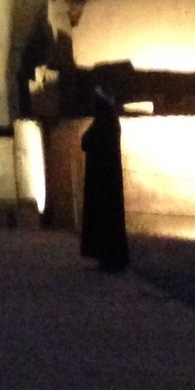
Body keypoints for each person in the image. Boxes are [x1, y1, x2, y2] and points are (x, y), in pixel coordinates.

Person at [80, 90, 128, 273]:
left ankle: (110, 257)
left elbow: (88, 141)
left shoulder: (104, 121)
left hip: (103, 179)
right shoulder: (109, 120)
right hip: (105, 178)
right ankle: (110, 257)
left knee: (105, 217)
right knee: (108, 218)